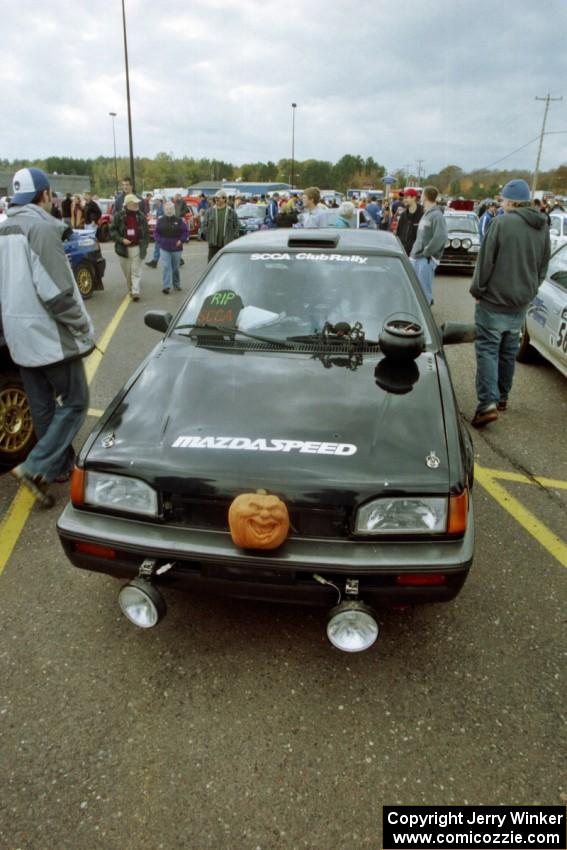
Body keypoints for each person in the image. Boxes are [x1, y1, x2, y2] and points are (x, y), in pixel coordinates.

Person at [0, 168, 95, 507]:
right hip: (49, 336)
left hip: (18, 336)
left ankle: (54, 468)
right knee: (76, 401)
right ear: (44, 195)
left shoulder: (4, 228)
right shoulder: (39, 228)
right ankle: (36, 465)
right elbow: (57, 294)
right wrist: (83, 327)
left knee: (42, 407)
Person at [469, 178, 550, 428]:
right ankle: (502, 397)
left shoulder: (500, 223)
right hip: (520, 302)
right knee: (507, 350)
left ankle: (488, 404)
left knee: (488, 349)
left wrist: (477, 289)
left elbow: (486, 262)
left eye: (503, 199)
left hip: (494, 300)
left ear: (512, 201)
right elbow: (543, 266)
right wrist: (530, 289)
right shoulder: (542, 226)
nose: (501, 203)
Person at [410, 185, 448, 305]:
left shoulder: (437, 215)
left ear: (425, 196)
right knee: (416, 289)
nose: (420, 196)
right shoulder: (427, 213)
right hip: (417, 257)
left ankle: (425, 317)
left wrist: (428, 252)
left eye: (422, 194)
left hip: (425, 259)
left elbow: (441, 237)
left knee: (424, 291)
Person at [110, 193, 149, 301]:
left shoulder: (141, 216)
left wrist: (144, 246)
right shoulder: (119, 216)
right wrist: (122, 240)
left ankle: (136, 291)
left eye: (137, 202)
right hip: (123, 249)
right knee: (128, 273)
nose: (137, 204)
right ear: (128, 204)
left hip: (137, 247)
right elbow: (112, 231)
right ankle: (131, 289)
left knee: (136, 271)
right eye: (134, 202)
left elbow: (146, 233)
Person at [154, 201, 189, 293]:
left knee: (175, 268)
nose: (169, 211)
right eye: (167, 209)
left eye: (170, 209)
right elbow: (156, 233)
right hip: (164, 248)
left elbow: (185, 232)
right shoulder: (160, 220)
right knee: (166, 266)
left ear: (173, 210)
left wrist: (181, 240)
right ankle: (166, 286)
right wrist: (160, 241)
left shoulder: (179, 220)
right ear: (164, 210)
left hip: (176, 248)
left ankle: (176, 285)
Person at [203, 189, 240, 262]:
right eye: (215, 198)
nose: (216, 200)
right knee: (211, 264)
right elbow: (204, 225)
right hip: (213, 244)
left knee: (226, 264)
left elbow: (237, 225)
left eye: (218, 198)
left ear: (224, 199)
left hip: (226, 244)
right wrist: (205, 234)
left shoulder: (231, 212)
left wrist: (234, 236)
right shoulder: (209, 211)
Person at [396, 188, 424, 255]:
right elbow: (398, 234)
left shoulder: (423, 215)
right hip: (403, 253)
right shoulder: (403, 215)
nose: (404, 200)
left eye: (406, 197)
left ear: (413, 198)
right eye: (403, 198)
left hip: (417, 256)